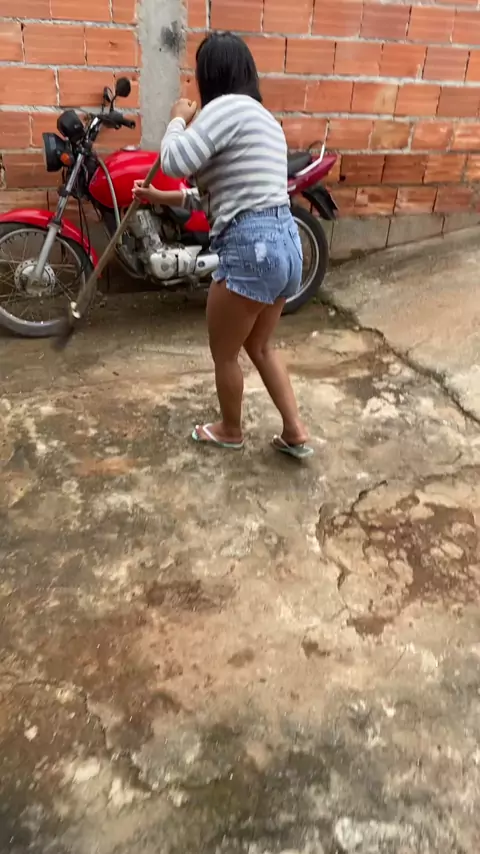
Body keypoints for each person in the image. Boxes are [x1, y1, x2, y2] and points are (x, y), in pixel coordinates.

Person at [133, 31, 313, 460]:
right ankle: (294, 430)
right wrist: (160, 197)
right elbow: (217, 195)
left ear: (209, 75)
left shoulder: (224, 108)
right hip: (286, 245)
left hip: (250, 247)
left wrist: (177, 119)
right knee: (260, 345)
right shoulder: (263, 120)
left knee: (225, 354)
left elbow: (174, 160)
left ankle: (230, 430)